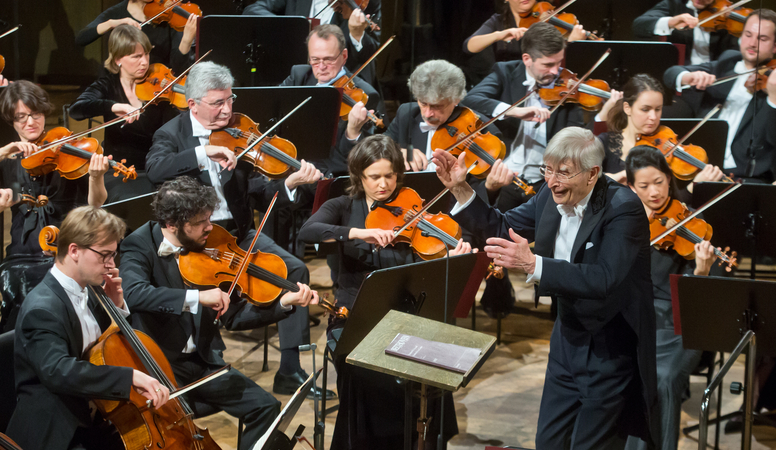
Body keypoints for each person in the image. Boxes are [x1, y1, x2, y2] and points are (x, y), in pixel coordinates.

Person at [432, 127, 657, 449]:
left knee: (592, 445)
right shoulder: (549, 195)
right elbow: (501, 227)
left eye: (563, 173)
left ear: (592, 173)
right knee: (549, 441)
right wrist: (461, 189)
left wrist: (533, 264)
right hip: (567, 335)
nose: (552, 181)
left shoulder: (623, 207)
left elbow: (605, 278)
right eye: (547, 170)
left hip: (610, 344)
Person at [145, 61, 331, 399]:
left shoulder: (239, 132)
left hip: (238, 232)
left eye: (230, 99)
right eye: (218, 103)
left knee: (295, 268)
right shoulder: (170, 135)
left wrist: (288, 183)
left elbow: (259, 189)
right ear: (193, 104)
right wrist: (203, 154)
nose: (228, 110)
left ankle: (290, 369)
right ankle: (209, 363)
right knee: (221, 295)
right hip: (195, 238)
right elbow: (155, 170)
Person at [298, 134, 472, 450]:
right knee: (362, 373)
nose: (383, 185)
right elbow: (308, 231)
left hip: (404, 313)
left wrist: (452, 256)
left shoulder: (412, 209)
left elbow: (429, 259)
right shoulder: (342, 206)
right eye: (374, 177)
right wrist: (359, 233)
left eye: (389, 176)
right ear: (358, 176)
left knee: (429, 376)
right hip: (351, 316)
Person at [120, 176, 319, 450]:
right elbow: (134, 293)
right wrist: (196, 297)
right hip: (162, 366)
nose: (209, 227)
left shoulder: (210, 247)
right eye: (200, 223)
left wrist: (285, 302)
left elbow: (234, 317)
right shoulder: (139, 244)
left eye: (209, 218)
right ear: (172, 224)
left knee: (267, 408)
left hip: (203, 364)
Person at [7, 206, 169, 450]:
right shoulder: (42, 309)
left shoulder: (89, 290)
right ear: (74, 251)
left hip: (96, 416)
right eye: (105, 255)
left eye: (113, 255)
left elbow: (91, 344)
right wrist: (130, 378)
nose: (111, 264)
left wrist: (115, 307)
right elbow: (60, 370)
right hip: (58, 430)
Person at [623, 146, 718, 450]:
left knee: (662, 378)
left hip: (679, 325)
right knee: (618, 370)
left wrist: (701, 271)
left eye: (660, 182)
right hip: (634, 319)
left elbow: (701, 302)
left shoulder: (687, 220)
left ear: (669, 178)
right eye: (644, 186)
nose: (654, 193)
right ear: (630, 187)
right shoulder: (621, 223)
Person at [464, 21, 605, 211]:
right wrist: (513, 111)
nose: (556, 72)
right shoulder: (505, 72)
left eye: (558, 63)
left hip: (545, 185)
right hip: (504, 178)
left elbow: (577, 136)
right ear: (527, 59)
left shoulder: (567, 88)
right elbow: (471, 100)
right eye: (547, 65)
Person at [663, 9, 776, 183]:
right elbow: (671, 73)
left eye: (762, 39)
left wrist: (774, 100)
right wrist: (688, 77)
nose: (753, 44)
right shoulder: (726, 63)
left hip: (747, 176)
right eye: (748, 35)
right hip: (699, 162)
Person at [70, 25, 178, 202]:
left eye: (146, 54)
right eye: (136, 56)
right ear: (118, 59)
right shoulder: (108, 85)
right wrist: (113, 106)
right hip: (121, 171)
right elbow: (77, 108)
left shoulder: (160, 86)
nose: (144, 62)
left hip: (159, 169)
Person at [0, 80, 109, 256]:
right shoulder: (7, 160)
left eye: (36, 114)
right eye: (21, 117)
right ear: (11, 120)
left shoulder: (66, 152)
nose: (30, 122)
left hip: (67, 248)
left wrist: (96, 177)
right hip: (21, 253)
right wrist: (3, 152)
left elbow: (96, 203)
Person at [280, 24, 381, 176]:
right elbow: (274, 109)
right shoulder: (299, 76)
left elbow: (358, 159)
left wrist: (352, 132)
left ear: (344, 56)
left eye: (328, 60)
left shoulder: (365, 94)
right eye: (315, 60)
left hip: (330, 174)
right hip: (290, 162)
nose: (321, 67)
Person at [596, 73, 723, 192]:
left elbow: (674, 204)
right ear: (627, 108)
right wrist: (621, 176)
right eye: (645, 109)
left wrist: (693, 187)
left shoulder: (666, 141)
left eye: (658, 109)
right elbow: (587, 188)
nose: (653, 117)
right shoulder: (604, 143)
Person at [243, 0, 382, 90]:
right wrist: (290, 25)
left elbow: (370, 52)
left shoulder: (365, 2)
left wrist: (357, 35)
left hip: (343, 85)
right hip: (297, 79)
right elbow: (252, 9)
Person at [463, 0, 588, 82]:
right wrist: (498, 35)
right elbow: (469, 46)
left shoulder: (547, 21)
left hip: (543, 81)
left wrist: (572, 43)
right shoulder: (498, 21)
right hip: (508, 83)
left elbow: (555, 61)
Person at [75, 0, 196, 73]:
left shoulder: (169, 14)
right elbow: (81, 38)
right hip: (125, 84)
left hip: (159, 85)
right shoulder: (118, 12)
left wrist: (187, 39)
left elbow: (178, 67)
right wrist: (112, 23)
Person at [632, 0, 740, 65]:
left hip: (713, 81)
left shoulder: (726, 12)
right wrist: (671, 22)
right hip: (679, 77)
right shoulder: (674, 4)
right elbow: (638, 26)